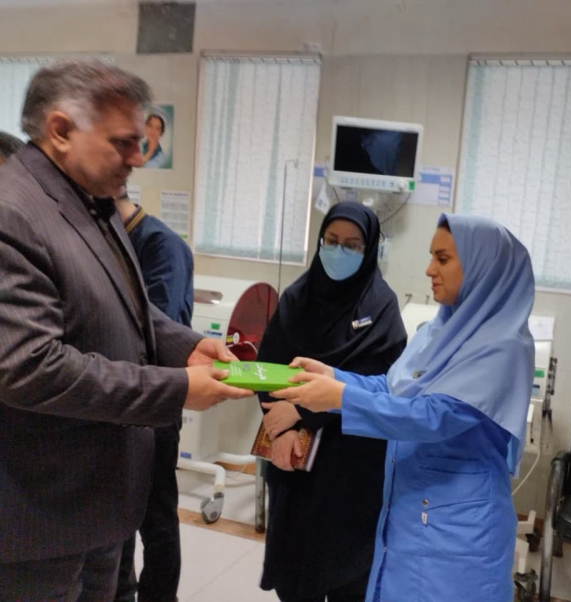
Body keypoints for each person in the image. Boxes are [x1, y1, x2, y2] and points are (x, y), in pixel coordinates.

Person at [0, 59, 251, 601]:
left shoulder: (92, 201)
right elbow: (29, 367)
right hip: (42, 515)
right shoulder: (12, 211)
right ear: (61, 130)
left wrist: (185, 346)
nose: (139, 158)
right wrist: (176, 389)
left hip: (101, 504)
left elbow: (123, 305)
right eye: (123, 143)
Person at [267, 213, 536, 602]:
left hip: (460, 529)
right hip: (410, 510)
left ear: (482, 266)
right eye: (431, 256)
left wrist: (339, 397)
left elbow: (434, 416)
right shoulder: (437, 331)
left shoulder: (503, 347)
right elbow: (395, 388)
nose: (429, 270)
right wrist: (335, 377)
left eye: (443, 259)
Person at [257, 201, 407, 602]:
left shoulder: (381, 307)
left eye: (352, 245)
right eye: (331, 240)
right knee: (295, 575)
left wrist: (303, 412)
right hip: (293, 458)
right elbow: (268, 368)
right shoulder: (296, 298)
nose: (339, 251)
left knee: (347, 577)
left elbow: (384, 386)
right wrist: (281, 429)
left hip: (351, 464)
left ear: (369, 249)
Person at [113, 187, 195, 602]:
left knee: (156, 518)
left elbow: (156, 328)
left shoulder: (162, 246)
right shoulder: (107, 238)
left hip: (155, 405)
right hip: (116, 402)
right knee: (117, 518)